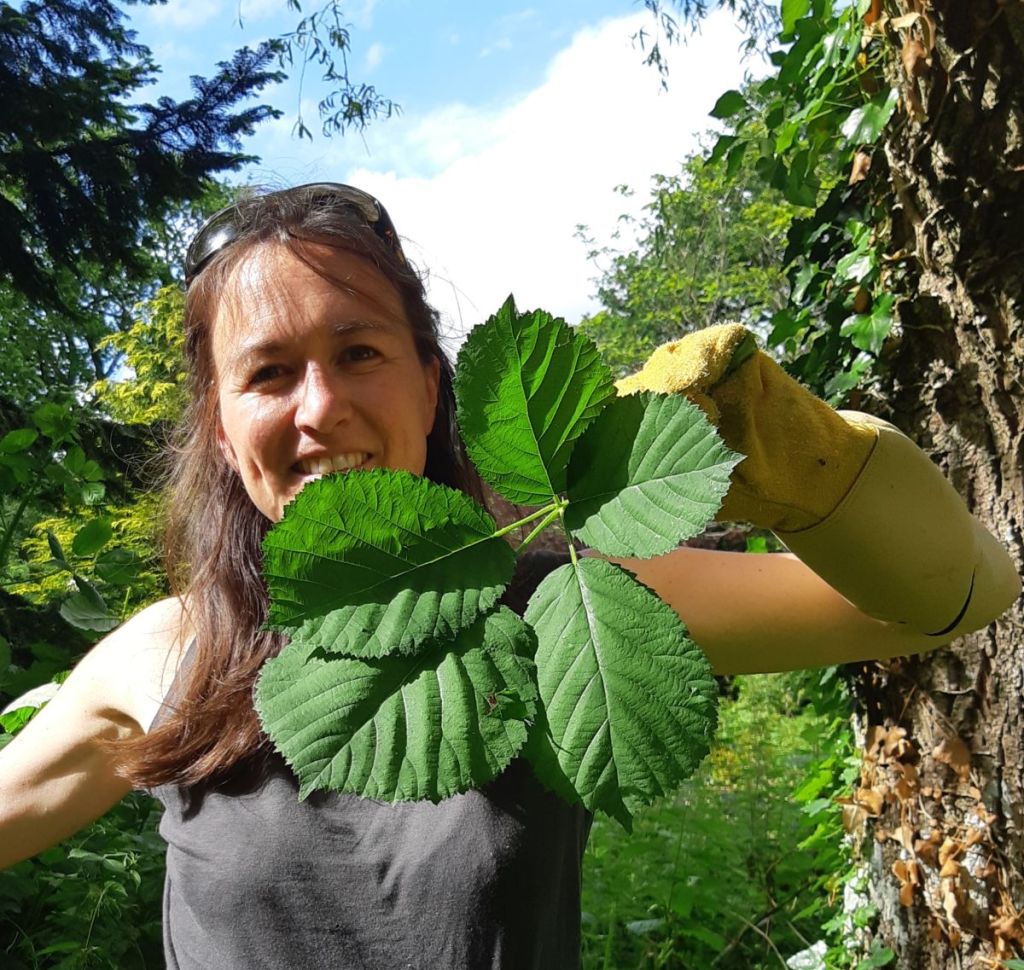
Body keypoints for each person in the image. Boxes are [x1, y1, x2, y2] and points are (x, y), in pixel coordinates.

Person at [0, 183, 1018, 969]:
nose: (318, 409)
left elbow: (944, 602)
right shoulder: (167, 656)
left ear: (429, 380)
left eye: (358, 353)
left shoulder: (555, 596)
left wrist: (814, 461)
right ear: (221, 422)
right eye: (267, 373)